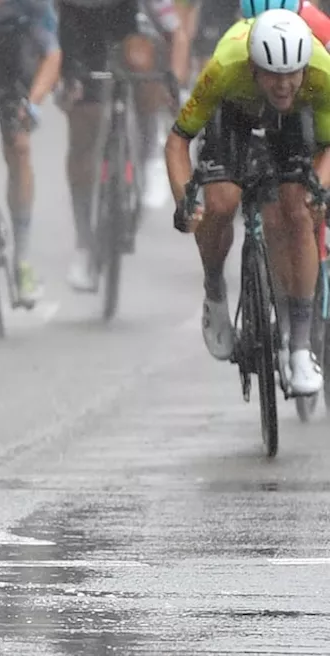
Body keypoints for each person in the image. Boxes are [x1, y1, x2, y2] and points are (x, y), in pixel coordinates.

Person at [166, 9, 330, 395]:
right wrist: (184, 199)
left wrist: (318, 188)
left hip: (296, 120)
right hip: (234, 110)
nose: (283, 84)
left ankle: (301, 347)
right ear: (254, 68)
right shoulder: (224, 67)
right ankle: (215, 293)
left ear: (305, 66)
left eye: (292, 72)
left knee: (298, 209)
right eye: (272, 73)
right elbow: (176, 141)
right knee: (221, 203)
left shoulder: (321, 73)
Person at [58, 0, 188, 292]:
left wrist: (174, 83)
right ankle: (84, 244)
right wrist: (65, 78)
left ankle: (150, 152)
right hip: (78, 29)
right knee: (82, 133)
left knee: (142, 61)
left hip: (125, 26)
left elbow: (177, 34)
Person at [0, 0, 62, 301]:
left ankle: (22, 259)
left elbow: (52, 55)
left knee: (20, 148)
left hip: (10, 57)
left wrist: (33, 102)